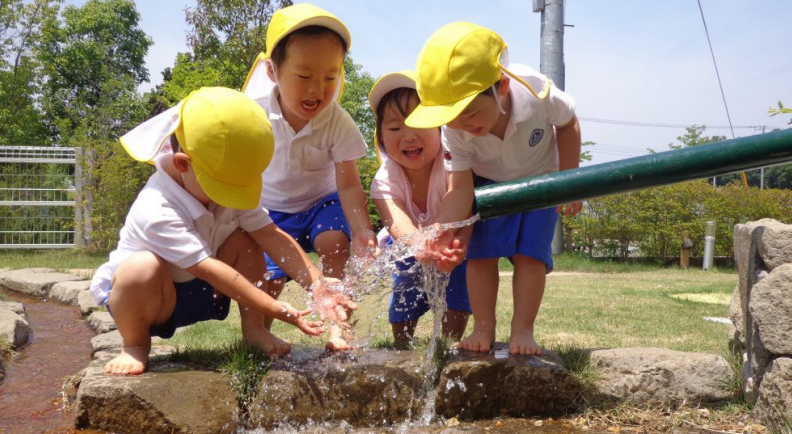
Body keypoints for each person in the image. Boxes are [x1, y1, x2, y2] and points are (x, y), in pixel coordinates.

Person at [89, 87, 357, 376]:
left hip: (204, 295)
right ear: (182, 164)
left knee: (248, 238)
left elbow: (271, 235)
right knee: (140, 268)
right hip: (153, 301)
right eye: (225, 188)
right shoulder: (157, 208)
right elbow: (209, 269)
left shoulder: (223, 181)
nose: (233, 197)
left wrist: (319, 287)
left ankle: (254, 330)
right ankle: (134, 345)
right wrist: (276, 308)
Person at [405, 22, 582, 355]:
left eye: (470, 112)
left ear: (500, 85)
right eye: (452, 118)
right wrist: (443, 230)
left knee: (531, 255)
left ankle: (523, 329)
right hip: (487, 184)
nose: (463, 125)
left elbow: (568, 123)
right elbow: (459, 189)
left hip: (541, 179)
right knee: (480, 255)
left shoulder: (536, 92)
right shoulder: (454, 129)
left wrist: (569, 181)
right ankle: (483, 326)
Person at [242, 3, 377, 351]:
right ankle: (258, 331)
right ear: (273, 71)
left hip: (321, 203)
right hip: (271, 211)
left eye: (330, 77)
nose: (317, 89)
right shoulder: (253, 114)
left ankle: (339, 327)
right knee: (268, 277)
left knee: (334, 243)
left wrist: (362, 229)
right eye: (304, 76)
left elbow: (348, 183)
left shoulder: (337, 121)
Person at [368, 71, 471, 349]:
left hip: (451, 231)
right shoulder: (385, 180)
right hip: (408, 241)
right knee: (405, 274)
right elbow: (396, 222)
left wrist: (446, 237)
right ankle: (402, 342)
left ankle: (447, 346)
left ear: (441, 127)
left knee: (458, 273)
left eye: (419, 123)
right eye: (394, 128)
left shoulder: (452, 160)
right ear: (380, 136)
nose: (408, 136)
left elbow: (460, 196)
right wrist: (418, 244)